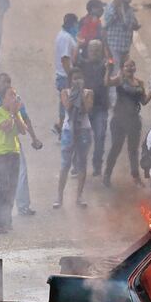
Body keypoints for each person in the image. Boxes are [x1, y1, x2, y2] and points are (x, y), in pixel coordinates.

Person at [0, 73, 42, 217]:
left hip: (14, 144)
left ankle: (23, 206)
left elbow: (25, 119)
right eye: (3, 82)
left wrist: (34, 138)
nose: (6, 84)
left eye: (8, 82)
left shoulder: (16, 100)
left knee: (21, 174)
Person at [103, 57, 151, 187]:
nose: (129, 68)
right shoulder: (120, 79)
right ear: (123, 69)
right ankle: (107, 175)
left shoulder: (140, 83)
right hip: (119, 119)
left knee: (133, 150)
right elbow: (107, 82)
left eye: (132, 66)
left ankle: (135, 177)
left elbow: (144, 102)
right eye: (126, 66)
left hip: (133, 120)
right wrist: (108, 70)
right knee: (116, 147)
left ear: (135, 68)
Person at [0, 85, 28, 234]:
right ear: (3, 98)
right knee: (3, 189)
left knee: (12, 189)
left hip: (14, 154)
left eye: (15, 95)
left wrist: (16, 113)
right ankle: (0, 224)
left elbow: (23, 130)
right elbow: (6, 127)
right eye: (11, 95)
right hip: (0, 156)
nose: (14, 98)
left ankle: (7, 220)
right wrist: (12, 113)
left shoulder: (15, 113)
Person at [54, 68, 94, 208]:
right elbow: (68, 107)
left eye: (80, 78)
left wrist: (81, 94)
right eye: (75, 78)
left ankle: (79, 196)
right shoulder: (65, 92)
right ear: (70, 80)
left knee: (82, 163)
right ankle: (59, 197)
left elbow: (87, 109)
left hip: (84, 130)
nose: (77, 81)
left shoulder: (89, 93)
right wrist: (75, 93)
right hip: (68, 131)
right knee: (65, 164)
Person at [78, 39, 110, 176]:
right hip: (85, 108)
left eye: (97, 50)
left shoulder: (105, 66)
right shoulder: (82, 65)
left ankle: (97, 165)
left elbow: (107, 82)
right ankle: (78, 164)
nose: (94, 53)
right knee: (81, 138)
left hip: (100, 107)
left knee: (100, 136)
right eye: (92, 50)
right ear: (88, 52)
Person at [103, 0, 140, 70]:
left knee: (124, 74)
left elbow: (133, 24)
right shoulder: (111, 7)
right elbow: (107, 23)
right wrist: (118, 7)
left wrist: (135, 25)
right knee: (115, 73)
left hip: (125, 48)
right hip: (113, 48)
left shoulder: (129, 9)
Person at [53, 13, 78, 134]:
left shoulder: (63, 35)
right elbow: (65, 59)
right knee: (66, 102)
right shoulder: (66, 38)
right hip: (64, 76)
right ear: (73, 24)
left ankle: (61, 125)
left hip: (63, 75)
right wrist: (71, 76)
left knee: (65, 101)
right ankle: (61, 125)